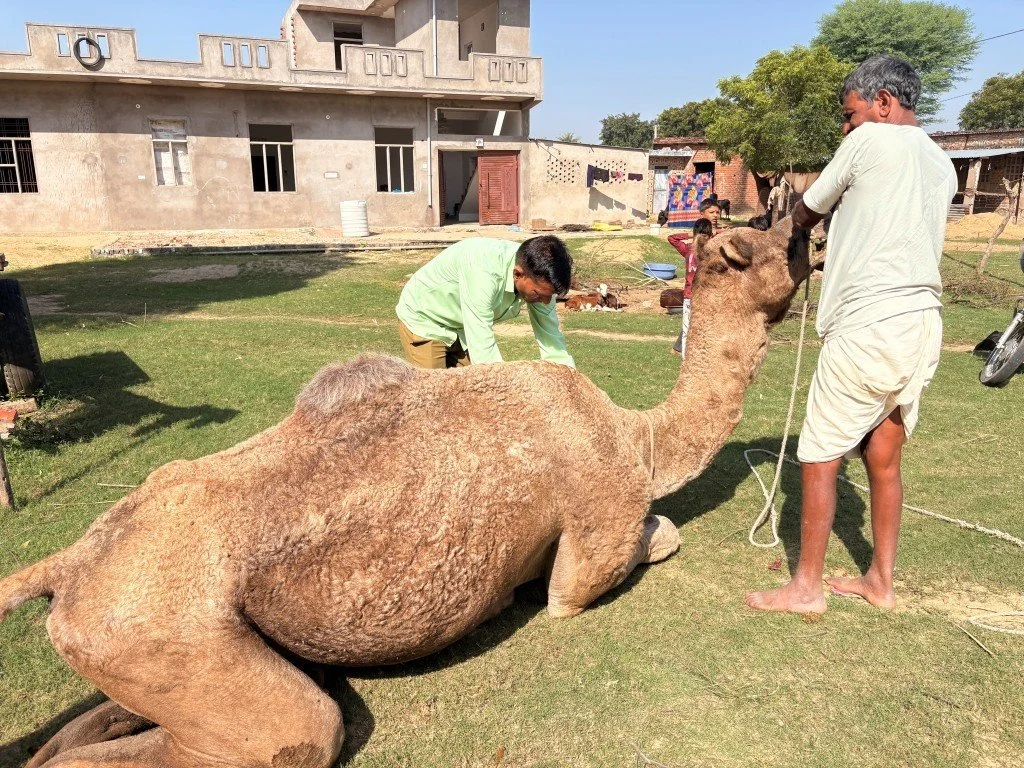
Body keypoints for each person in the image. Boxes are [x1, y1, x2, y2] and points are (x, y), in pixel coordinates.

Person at [746, 55, 957, 614]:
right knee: (884, 457)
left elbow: (809, 208)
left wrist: (786, 236)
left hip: (868, 323)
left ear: (883, 103)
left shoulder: (870, 143)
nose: (846, 127)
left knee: (819, 454)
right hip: (921, 323)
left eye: (850, 114)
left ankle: (806, 587)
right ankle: (881, 581)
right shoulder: (943, 162)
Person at [396, 236, 575, 369]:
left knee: (469, 400)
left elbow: (551, 339)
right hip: (426, 320)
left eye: (549, 296)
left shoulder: (540, 283)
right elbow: (483, 344)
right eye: (538, 294)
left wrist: (568, 380)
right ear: (518, 274)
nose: (545, 302)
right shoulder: (483, 272)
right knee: (432, 399)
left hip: (462, 329)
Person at [668, 217, 715, 356]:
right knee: (688, 326)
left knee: (700, 326)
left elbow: (673, 239)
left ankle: (699, 354)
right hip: (691, 296)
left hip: (704, 296)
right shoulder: (691, 250)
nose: (701, 240)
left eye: (704, 236)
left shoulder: (710, 251)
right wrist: (690, 235)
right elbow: (671, 238)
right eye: (699, 236)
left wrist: (695, 235)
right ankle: (685, 356)